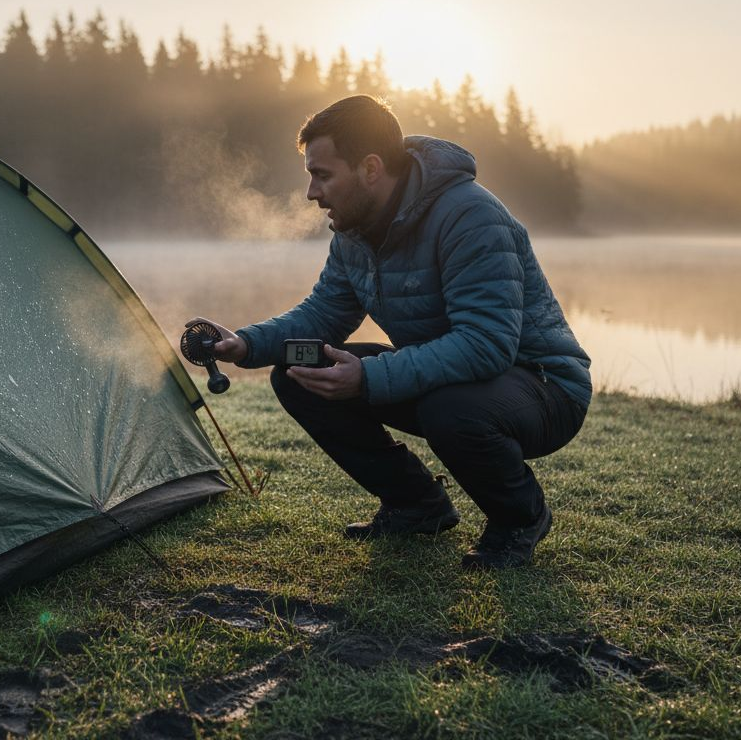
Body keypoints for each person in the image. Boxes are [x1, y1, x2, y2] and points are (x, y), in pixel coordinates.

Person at [188, 95, 591, 570]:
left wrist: (369, 377)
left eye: (322, 175)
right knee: (298, 372)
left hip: (544, 387)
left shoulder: (470, 216)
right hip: (453, 381)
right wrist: (247, 343)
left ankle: (520, 518)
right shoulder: (354, 230)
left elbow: (487, 344)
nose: (311, 193)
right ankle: (417, 504)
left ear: (371, 168)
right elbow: (324, 314)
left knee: (449, 408)